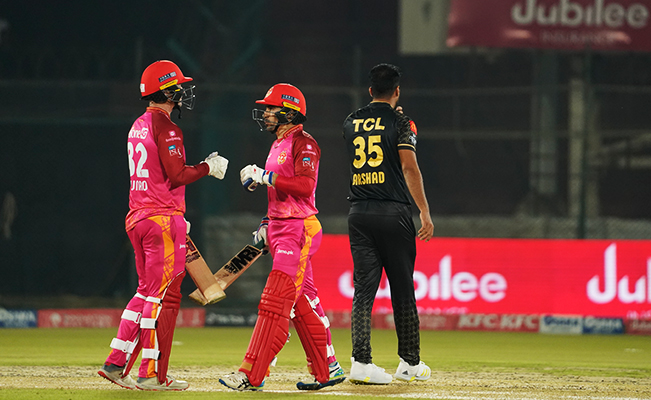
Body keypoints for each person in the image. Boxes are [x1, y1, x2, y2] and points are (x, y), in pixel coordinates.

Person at [97, 60, 229, 391]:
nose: (183, 94)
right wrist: (207, 167)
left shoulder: (138, 124)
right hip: (161, 219)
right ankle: (151, 373)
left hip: (138, 216)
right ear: (167, 91)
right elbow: (177, 174)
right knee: (158, 297)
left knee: (144, 292)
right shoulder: (167, 127)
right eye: (178, 88)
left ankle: (116, 362)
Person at [219, 83, 345, 391]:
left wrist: (265, 176)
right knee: (302, 303)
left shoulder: (305, 143)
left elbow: (304, 186)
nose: (265, 114)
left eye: (271, 109)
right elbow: (279, 194)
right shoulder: (278, 143)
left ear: (289, 112)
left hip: (298, 230)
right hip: (280, 228)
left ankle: (251, 374)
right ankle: (327, 369)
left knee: (274, 303)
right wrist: (266, 222)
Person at [342, 63, 434, 384]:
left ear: (370, 91)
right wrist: (423, 211)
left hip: (358, 214)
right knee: (402, 288)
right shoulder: (402, 122)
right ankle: (409, 363)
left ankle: (361, 362)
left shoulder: (351, 121)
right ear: (397, 90)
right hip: (392, 213)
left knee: (363, 291)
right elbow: (409, 168)